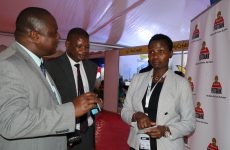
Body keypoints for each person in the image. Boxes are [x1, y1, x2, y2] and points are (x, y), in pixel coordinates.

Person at [0, 7, 100, 150]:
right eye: (53, 33)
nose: (58, 37)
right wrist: (71, 110)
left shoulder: (36, 63)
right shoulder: (8, 65)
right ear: (35, 35)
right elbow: (11, 123)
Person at [121, 34, 196, 150]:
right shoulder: (137, 79)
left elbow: (189, 123)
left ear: (170, 53)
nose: (155, 56)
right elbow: (125, 111)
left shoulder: (181, 83)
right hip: (138, 144)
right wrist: (136, 115)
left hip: (167, 144)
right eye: (151, 52)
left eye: (161, 51)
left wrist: (166, 129)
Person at [45, 28, 100, 150]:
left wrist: (96, 104)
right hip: (66, 130)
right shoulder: (52, 67)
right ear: (67, 45)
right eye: (79, 46)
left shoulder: (92, 68)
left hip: (88, 128)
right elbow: (49, 102)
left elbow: (89, 94)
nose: (83, 51)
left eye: (87, 47)